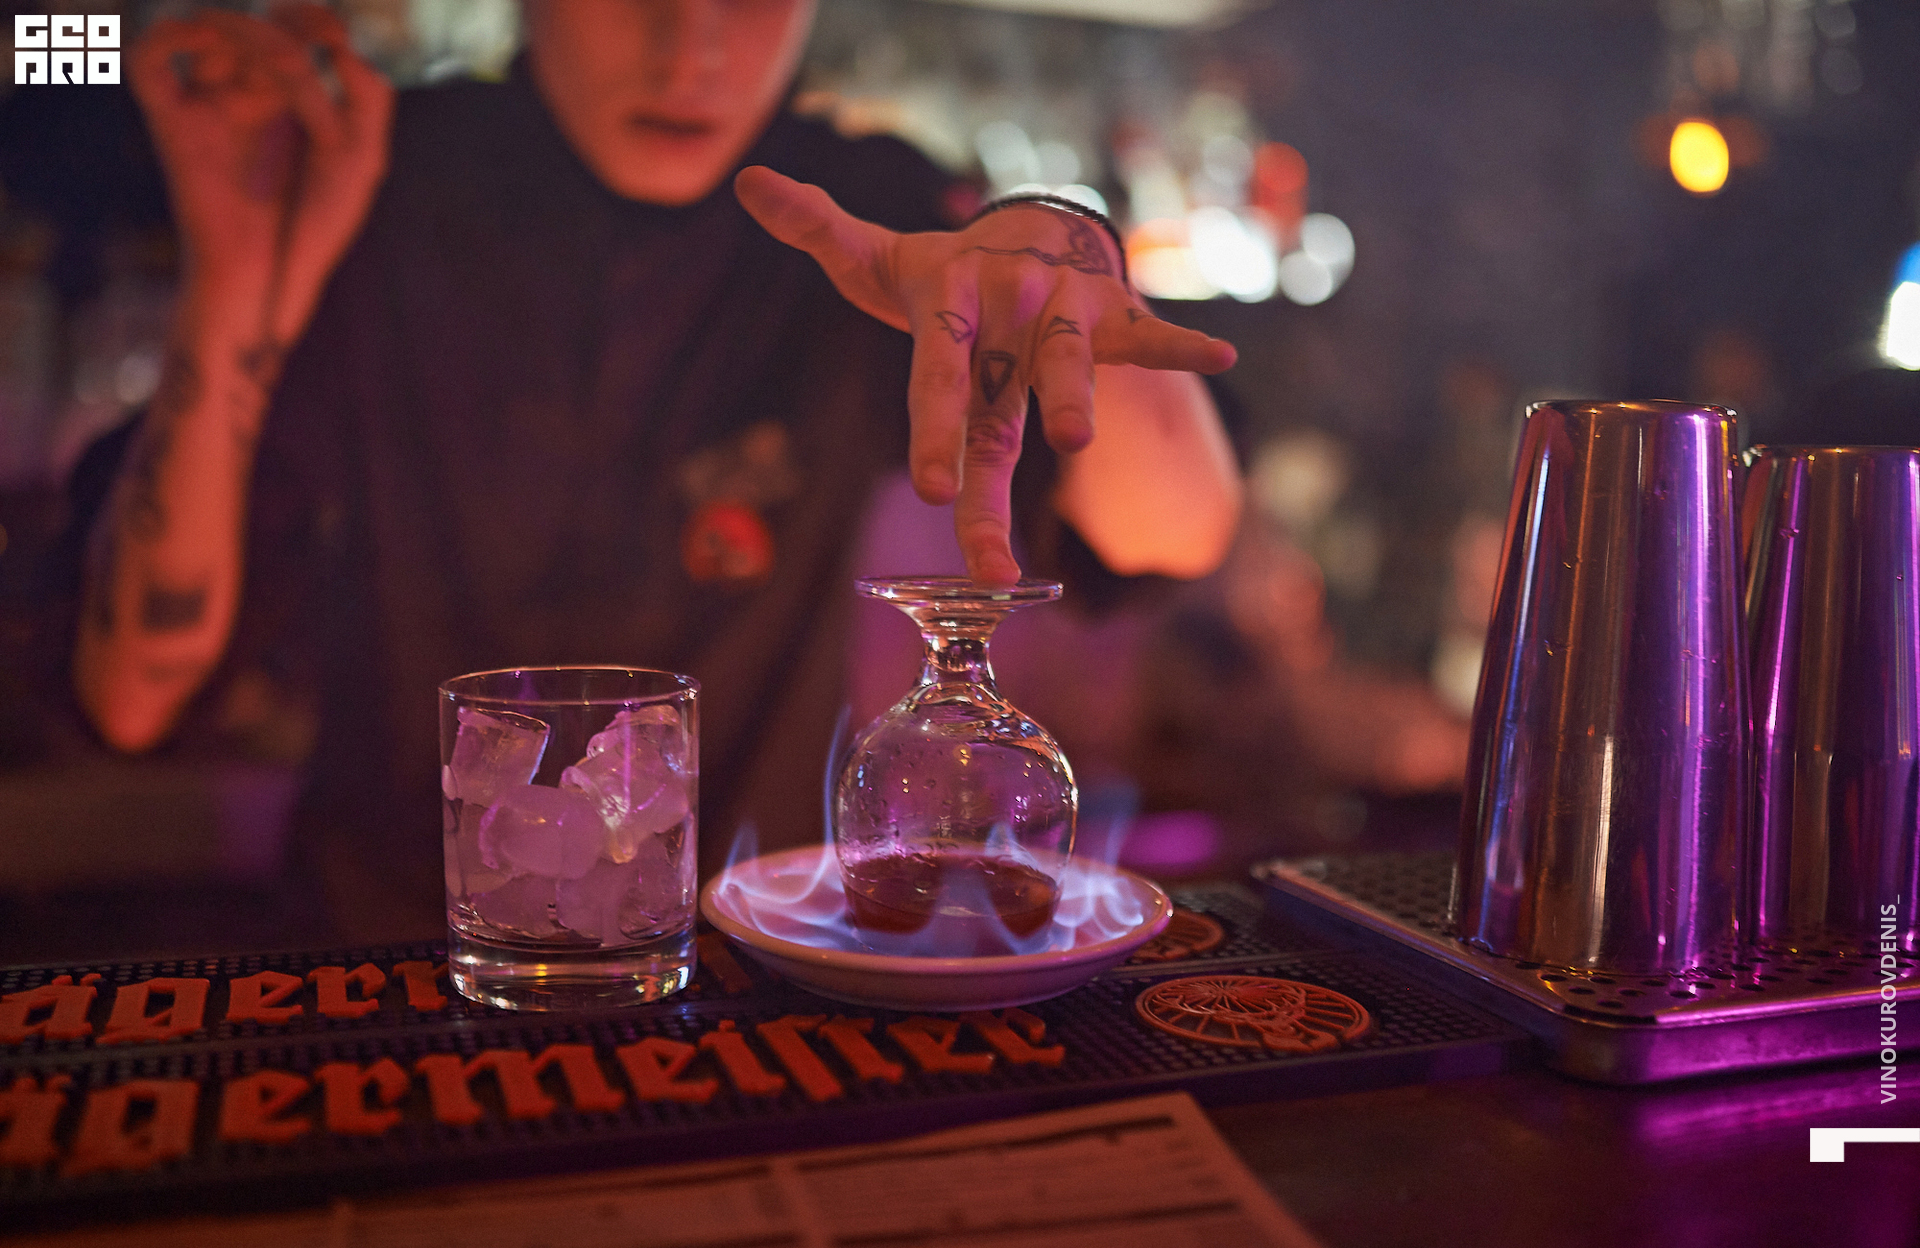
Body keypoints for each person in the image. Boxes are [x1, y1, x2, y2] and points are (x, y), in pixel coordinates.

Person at [70, 1, 1241, 940]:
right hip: (388, 977)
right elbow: (135, 690)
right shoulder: (364, 178)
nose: (692, 46)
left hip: (744, 976)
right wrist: (233, 273)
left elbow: (1169, 534)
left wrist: (1067, 247)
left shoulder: (862, 215)